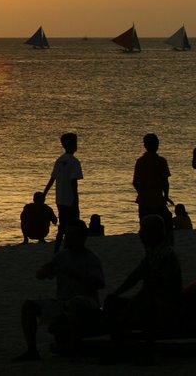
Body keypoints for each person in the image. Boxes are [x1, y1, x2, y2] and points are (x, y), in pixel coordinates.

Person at [12, 221, 105, 361]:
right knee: (28, 307)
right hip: (62, 302)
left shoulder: (91, 259)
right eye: (66, 235)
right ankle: (32, 351)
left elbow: (99, 284)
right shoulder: (61, 256)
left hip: (87, 301)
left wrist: (74, 274)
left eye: (71, 235)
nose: (67, 238)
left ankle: (75, 349)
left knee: (75, 304)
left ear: (82, 237)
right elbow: (41, 275)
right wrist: (45, 270)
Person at [104, 215, 183, 356]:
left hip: (167, 304)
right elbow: (136, 276)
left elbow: (152, 286)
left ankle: (146, 350)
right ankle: (119, 344)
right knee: (113, 302)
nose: (140, 234)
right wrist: (116, 293)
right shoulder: (152, 252)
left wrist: (131, 304)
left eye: (144, 231)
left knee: (145, 306)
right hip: (152, 300)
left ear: (155, 233)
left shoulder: (165, 254)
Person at [43, 132, 83, 252]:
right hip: (70, 199)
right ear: (71, 145)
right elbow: (73, 183)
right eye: (75, 143)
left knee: (62, 226)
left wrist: (45, 193)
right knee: (73, 225)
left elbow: (52, 179)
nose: (77, 145)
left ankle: (57, 249)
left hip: (60, 199)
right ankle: (69, 248)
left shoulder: (59, 160)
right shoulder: (74, 161)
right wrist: (75, 200)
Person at [132, 133, 173, 243]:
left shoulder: (140, 161)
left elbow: (135, 182)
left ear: (145, 145)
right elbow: (165, 182)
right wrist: (166, 196)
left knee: (145, 226)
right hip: (157, 200)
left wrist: (142, 193)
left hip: (144, 200)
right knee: (165, 223)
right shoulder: (161, 161)